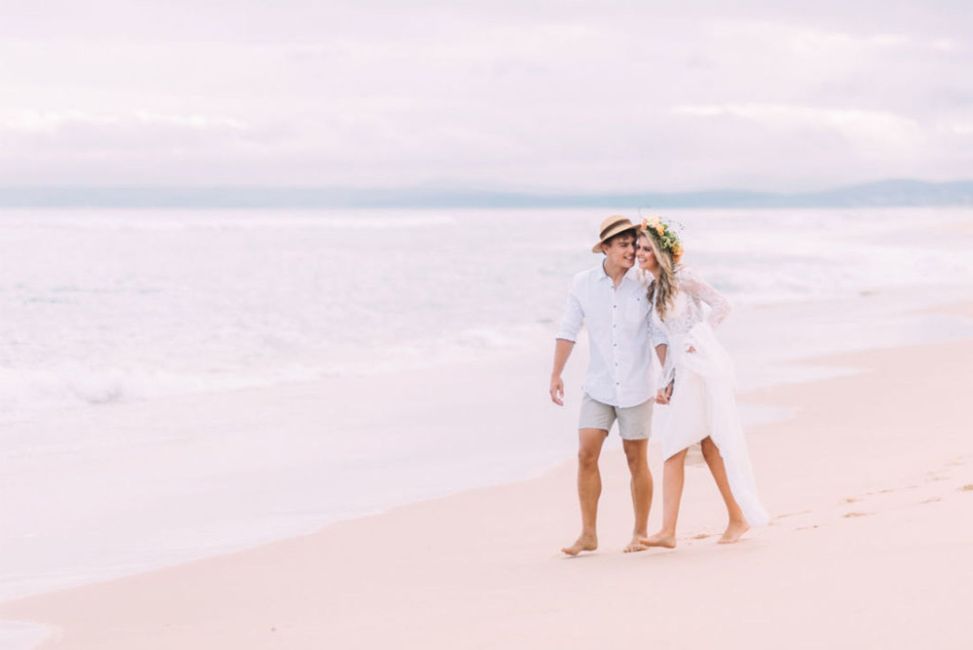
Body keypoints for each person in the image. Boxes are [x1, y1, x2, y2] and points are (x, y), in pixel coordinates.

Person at [635, 217, 769, 548]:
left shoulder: (684, 277)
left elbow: (723, 305)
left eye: (647, 248)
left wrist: (701, 338)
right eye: (638, 247)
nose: (640, 253)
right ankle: (737, 517)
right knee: (708, 446)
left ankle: (668, 531)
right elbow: (667, 338)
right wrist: (666, 380)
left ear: (662, 251)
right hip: (683, 370)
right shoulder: (654, 287)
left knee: (673, 446)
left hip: (699, 366)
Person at [550, 215, 668, 555]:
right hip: (598, 386)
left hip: (635, 386)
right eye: (623, 245)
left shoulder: (645, 282)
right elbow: (568, 328)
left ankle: (640, 533)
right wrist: (556, 374)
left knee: (636, 460)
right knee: (586, 454)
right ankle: (588, 534)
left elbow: (658, 333)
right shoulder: (582, 283)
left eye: (633, 244)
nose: (631, 250)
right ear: (605, 248)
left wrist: (667, 376)